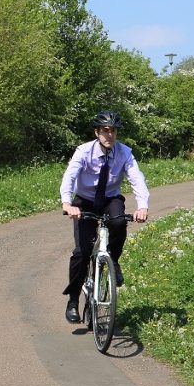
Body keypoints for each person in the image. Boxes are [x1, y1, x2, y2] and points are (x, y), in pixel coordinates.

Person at [60, 110, 151, 324]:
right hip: (84, 200)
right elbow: (70, 176)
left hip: (110, 199)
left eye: (113, 131)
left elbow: (137, 179)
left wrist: (143, 207)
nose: (109, 135)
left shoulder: (124, 152)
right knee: (81, 252)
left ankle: (114, 262)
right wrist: (67, 202)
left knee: (119, 221)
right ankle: (73, 300)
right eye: (105, 131)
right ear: (97, 132)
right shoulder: (83, 152)